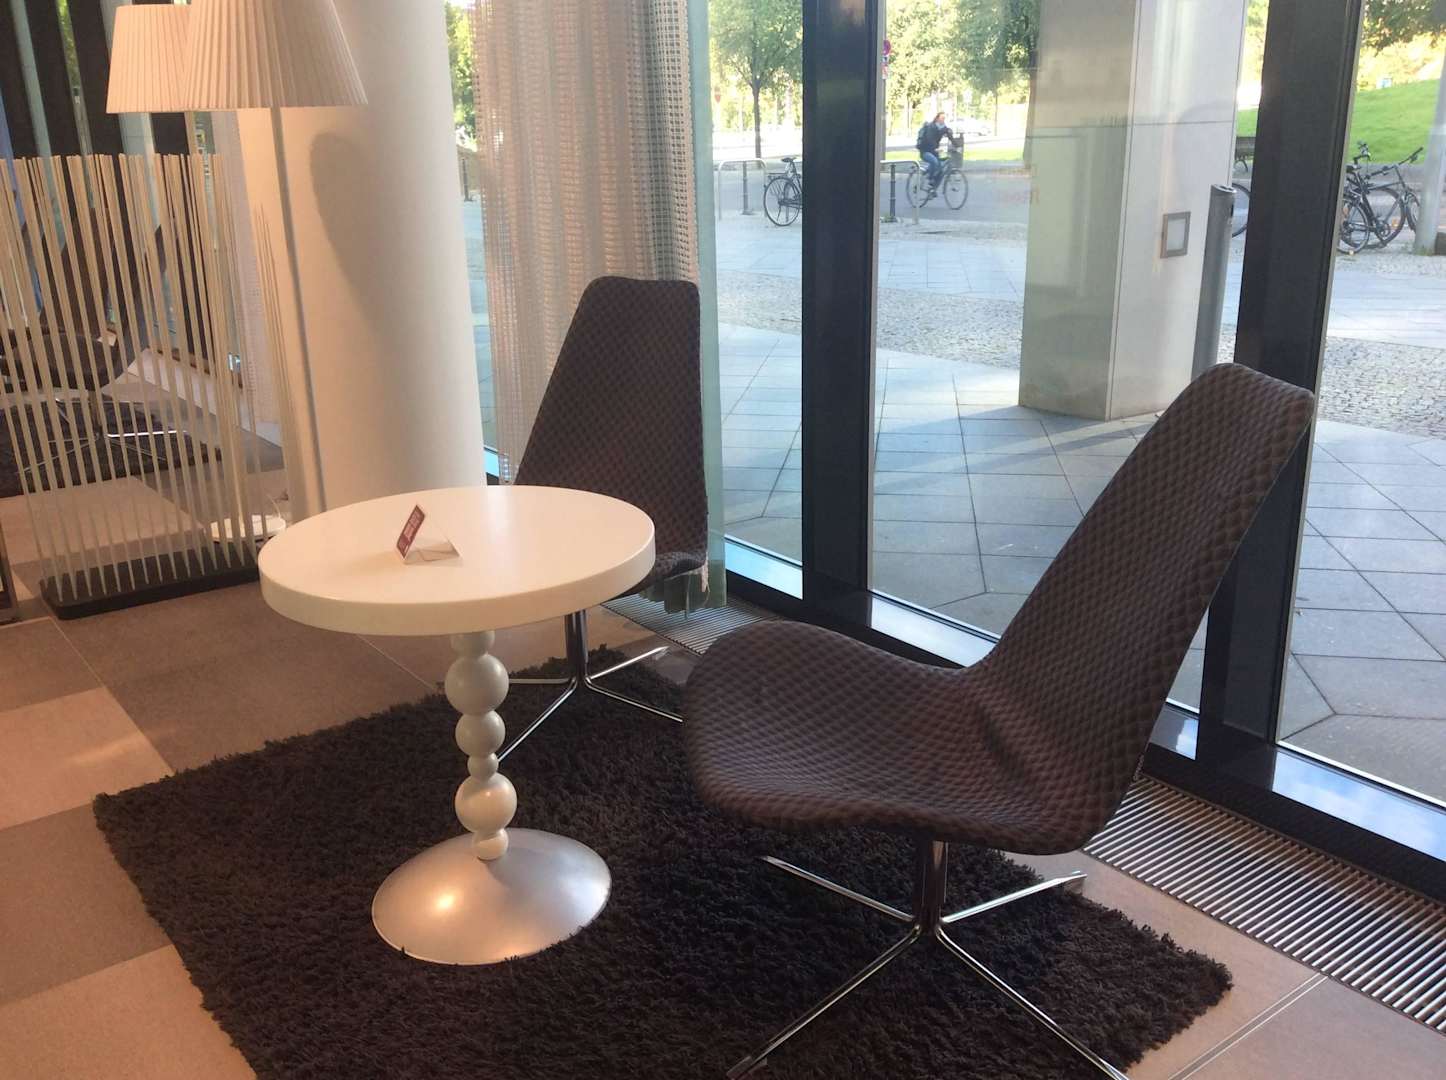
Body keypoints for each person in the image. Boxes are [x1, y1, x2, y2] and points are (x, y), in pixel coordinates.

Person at [915, 112, 954, 190]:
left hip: (934, 152)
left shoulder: (943, 128)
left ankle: (933, 189)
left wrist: (957, 145)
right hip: (925, 151)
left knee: (940, 170)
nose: (943, 120)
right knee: (934, 162)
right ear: (937, 118)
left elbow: (950, 137)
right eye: (942, 118)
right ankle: (930, 179)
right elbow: (930, 139)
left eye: (944, 118)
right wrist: (935, 148)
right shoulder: (931, 127)